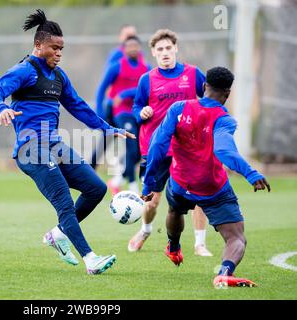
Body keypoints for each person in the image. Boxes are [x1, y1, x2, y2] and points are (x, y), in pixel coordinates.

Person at [0, 9, 135, 275]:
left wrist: (107, 128)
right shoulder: (24, 71)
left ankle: (57, 233)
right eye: (54, 48)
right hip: (31, 150)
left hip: (55, 146)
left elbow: (78, 107)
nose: (59, 53)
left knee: (96, 188)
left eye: (62, 48)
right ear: (38, 45)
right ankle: (90, 259)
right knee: (65, 203)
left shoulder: (59, 77)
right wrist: (1, 108)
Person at [141, 66, 270, 287]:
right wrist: (251, 174)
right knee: (236, 238)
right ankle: (224, 273)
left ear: (203, 86)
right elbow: (224, 151)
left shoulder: (178, 109)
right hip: (213, 188)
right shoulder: (224, 119)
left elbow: (158, 145)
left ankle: (173, 247)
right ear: (227, 93)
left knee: (174, 209)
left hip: (180, 183)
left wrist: (149, 183)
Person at [128, 29, 212, 256]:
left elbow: (210, 100)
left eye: (168, 48)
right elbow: (136, 108)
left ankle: (199, 243)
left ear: (175, 49)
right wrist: (141, 112)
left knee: (198, 195)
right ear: (153, 53)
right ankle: (145, 230)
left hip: (187, 148)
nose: (165, 53)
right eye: (160, 49)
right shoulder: (147, 79)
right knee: (152, 201)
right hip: (156, 148)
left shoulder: (193, 74)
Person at [95, 36, 150, 194]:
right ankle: (133, 188)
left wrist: (126, 92)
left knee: (139, 151)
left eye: (135, 45)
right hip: (122, 113)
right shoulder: (116, 67)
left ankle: (117, 179)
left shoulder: (146, 68)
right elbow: (101, 89)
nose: (133, 48)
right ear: (124, 49)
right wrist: (99, 112)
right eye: (129, 46)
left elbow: (146, 89)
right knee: (131, 147)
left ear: (139, 48)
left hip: (139, 113)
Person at [90, 24, 139, 169]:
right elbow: (106, 83)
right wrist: (100, 110)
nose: (130, 38)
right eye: (127, 35)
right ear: (121, 37)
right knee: (107, 140)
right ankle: (91, 170)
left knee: (135, 145)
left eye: (132, 35)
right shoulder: (117, 55)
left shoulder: (138, 57)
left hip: (131, 108)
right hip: (114, 106)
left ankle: (118, 169)